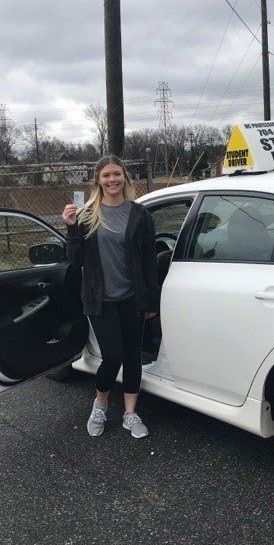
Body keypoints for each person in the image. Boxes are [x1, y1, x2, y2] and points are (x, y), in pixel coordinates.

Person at [62, 155, 159, 439]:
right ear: (98, 180)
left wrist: (151, 300)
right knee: (113, 356)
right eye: (106, 175)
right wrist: (71, 228)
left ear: (124, 177)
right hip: (100, 299)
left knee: (132, 357)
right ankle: (100, 405)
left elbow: (149, 260)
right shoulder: (87, 215)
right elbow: (75, 260)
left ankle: (130, 413)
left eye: (117, 173)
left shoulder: (139, 214)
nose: (112, 179)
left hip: (132, 297)